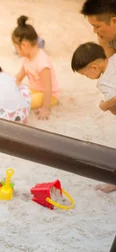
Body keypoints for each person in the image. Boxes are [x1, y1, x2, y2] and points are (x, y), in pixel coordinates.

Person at [80, 1, 116, 194]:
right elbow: (108, 70)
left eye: (97, 26)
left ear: (114, 21)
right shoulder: (107, 39)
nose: (95, 32)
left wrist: (106, 105)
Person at [12, 15, 60, 120]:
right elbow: (19, 77)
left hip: (49, 95)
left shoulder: (42, 62)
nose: (16, 51)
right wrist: (8, 86)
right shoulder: (27, 58)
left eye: (16, 48)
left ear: (24, 45)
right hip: (34, 90)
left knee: (21, 102)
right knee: (15, 93)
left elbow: (48, 88)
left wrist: (45, 108)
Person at [71, 42, 116, 114]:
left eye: (86, 75)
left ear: (94, 68)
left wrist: (104, 106)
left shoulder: (104, 83)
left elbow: (114, 100)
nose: (87, 77)